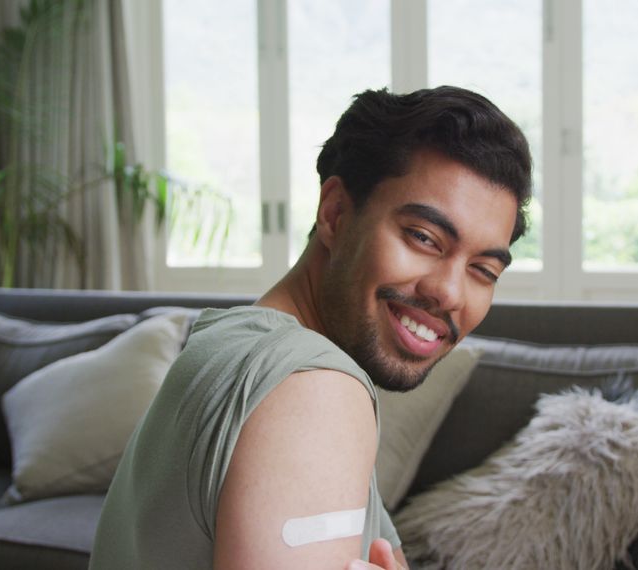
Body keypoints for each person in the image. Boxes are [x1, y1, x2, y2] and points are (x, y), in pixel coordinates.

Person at [90, 85, 532, 569]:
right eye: (423, 238)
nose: (449, 292)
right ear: (336, 214)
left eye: (483, 271)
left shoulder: (227, 345)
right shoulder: (315, 392)